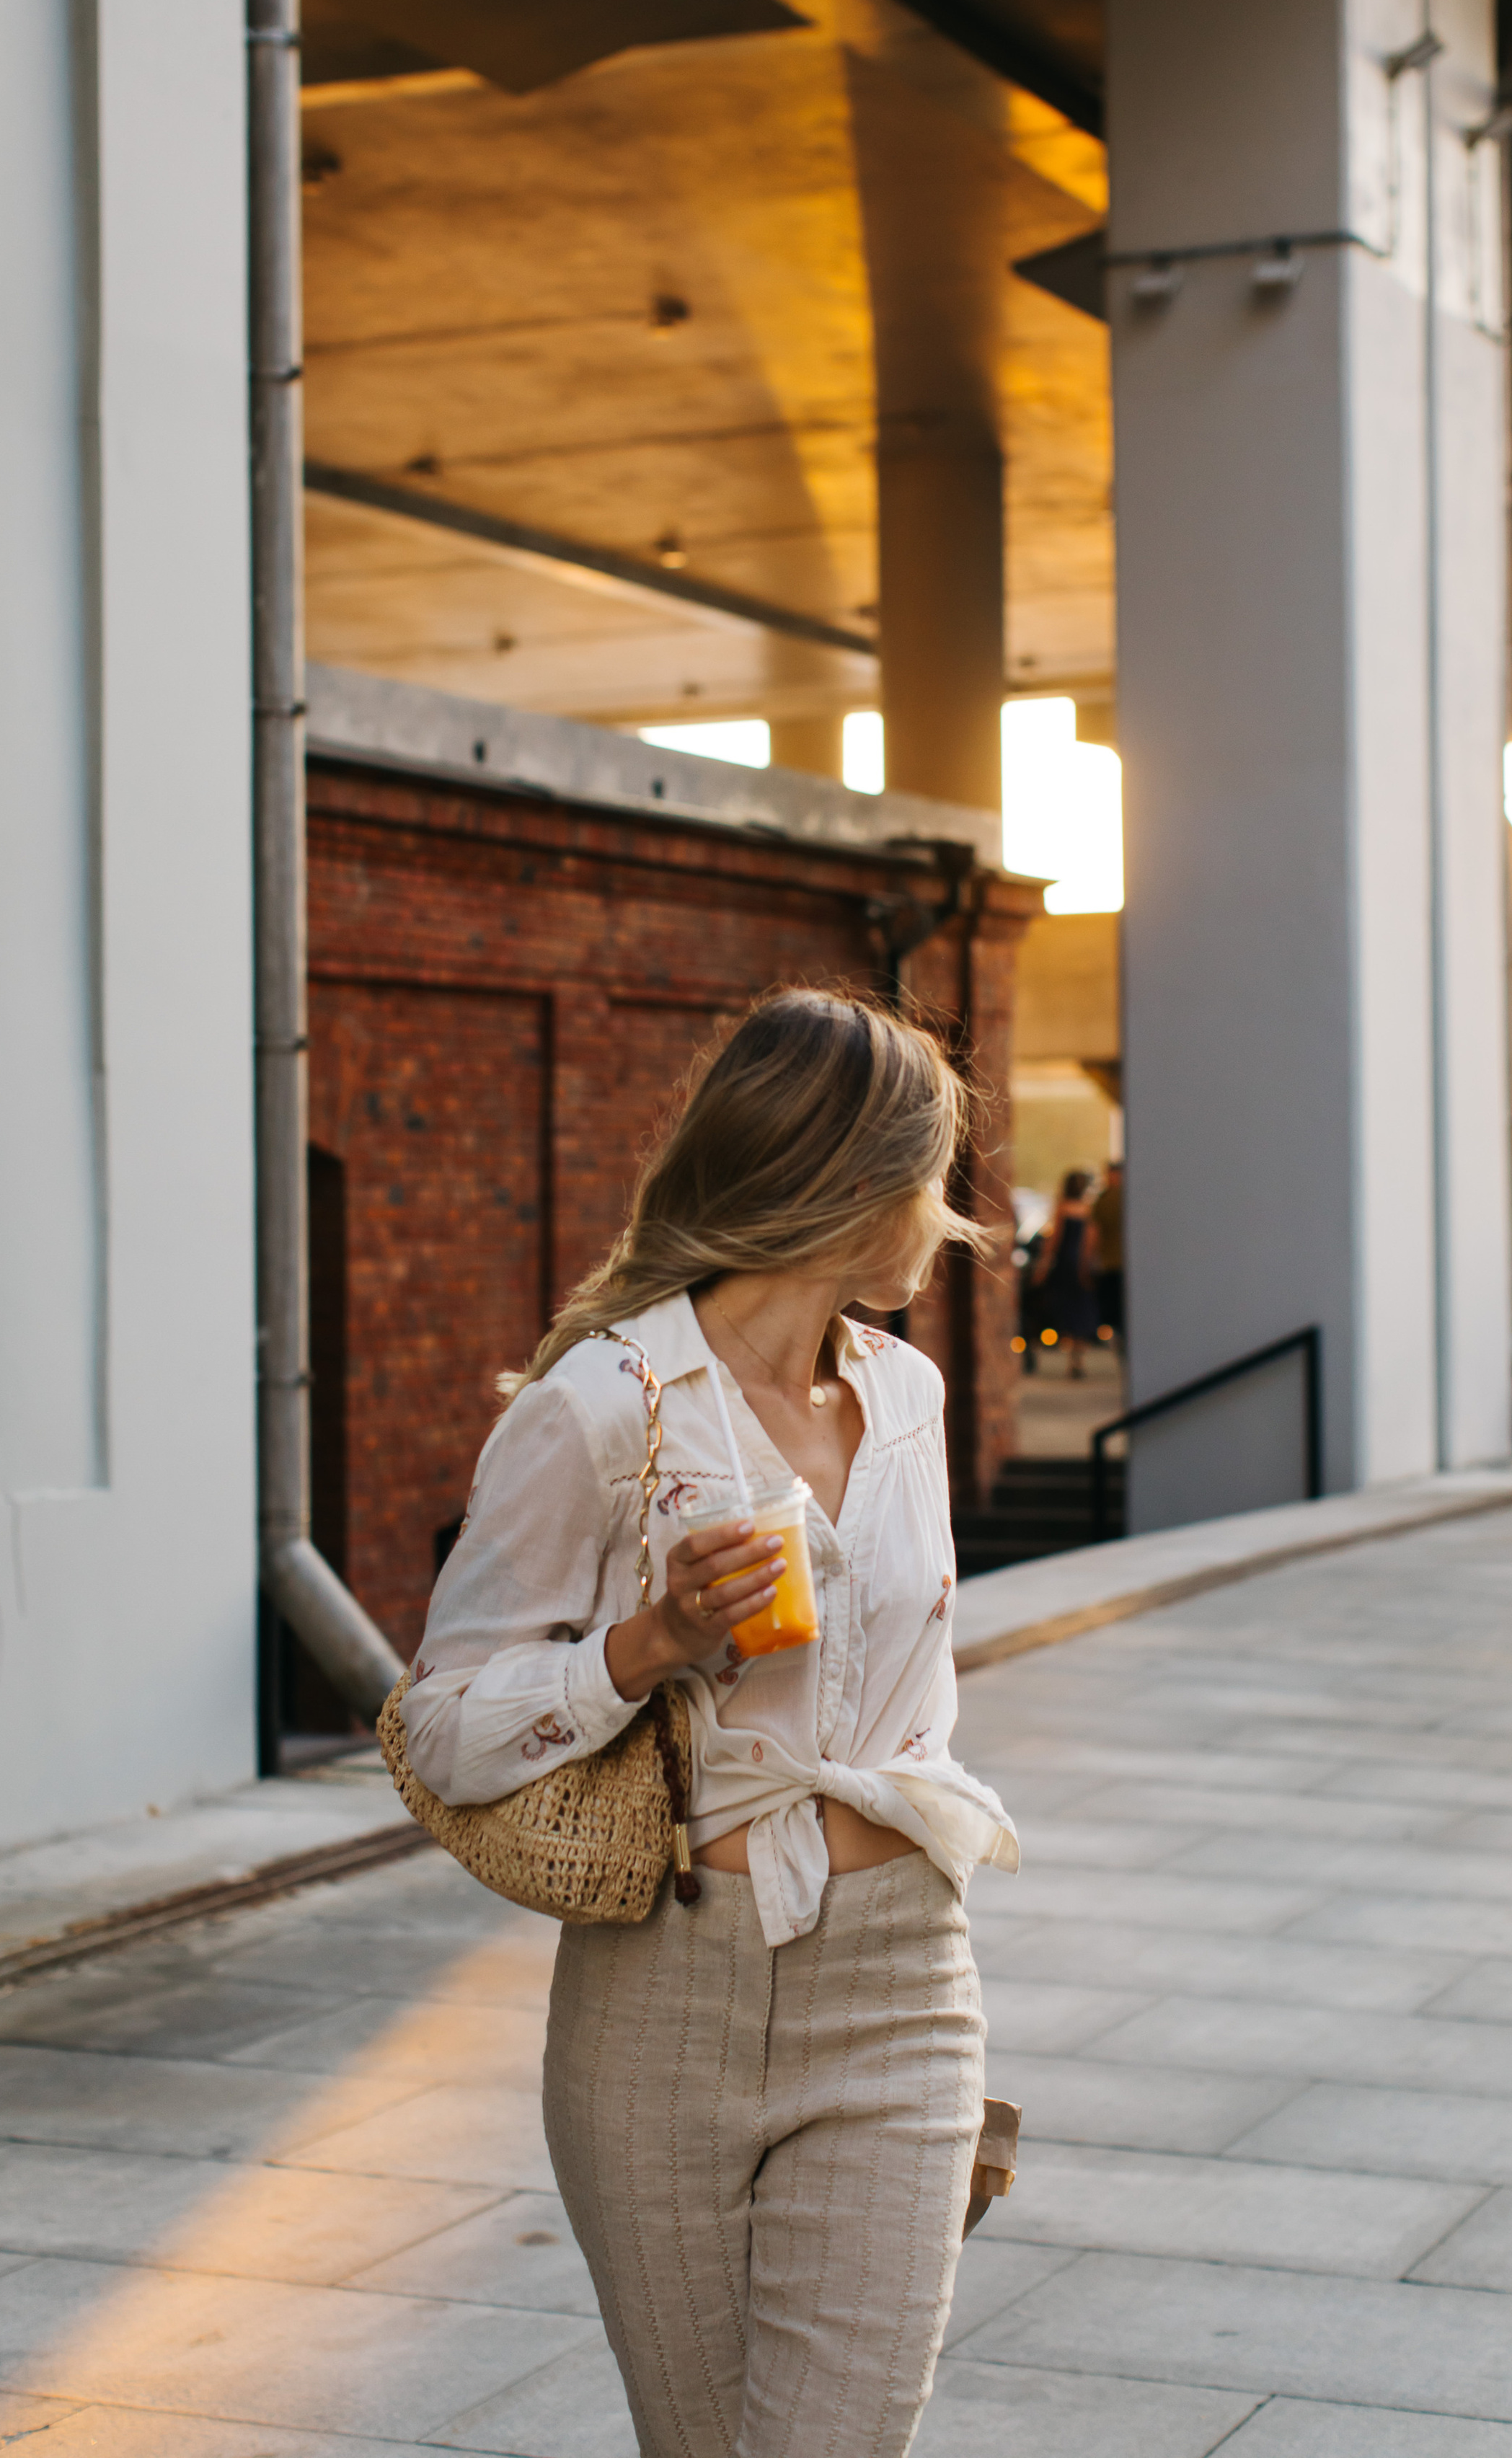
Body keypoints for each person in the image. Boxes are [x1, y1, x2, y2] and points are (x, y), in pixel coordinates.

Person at [401, 989, 1018, 2458]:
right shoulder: (602, 1405)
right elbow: (440, 1731)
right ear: (850, 1184)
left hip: (900, 1984)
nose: (945, 1224)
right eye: (929, 1182)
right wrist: (651, 1644)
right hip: (663, 2001)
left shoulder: (910, 1393)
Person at [1027, 1165, 1100, 1377]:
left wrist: (1043, 1265)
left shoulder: (1062, 1208)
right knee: (1081, 1307)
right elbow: (1090, 1239)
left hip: (1065, 1264)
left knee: (1066, 1307)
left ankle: (1072, 1356)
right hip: (1079, 1262)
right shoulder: (1088, 1209)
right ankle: (1079, 1356)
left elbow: (1055, 1239)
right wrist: (1087, 1263)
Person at [1091, 1155, 1125, 1343]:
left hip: (1109, 1262)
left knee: (1113, 1311)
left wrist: (1090, 1259)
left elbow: (1093, 1234)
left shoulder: (1103, 1200)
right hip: (1127, 1264)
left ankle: (1118, 1342)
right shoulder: (1131, 1197)